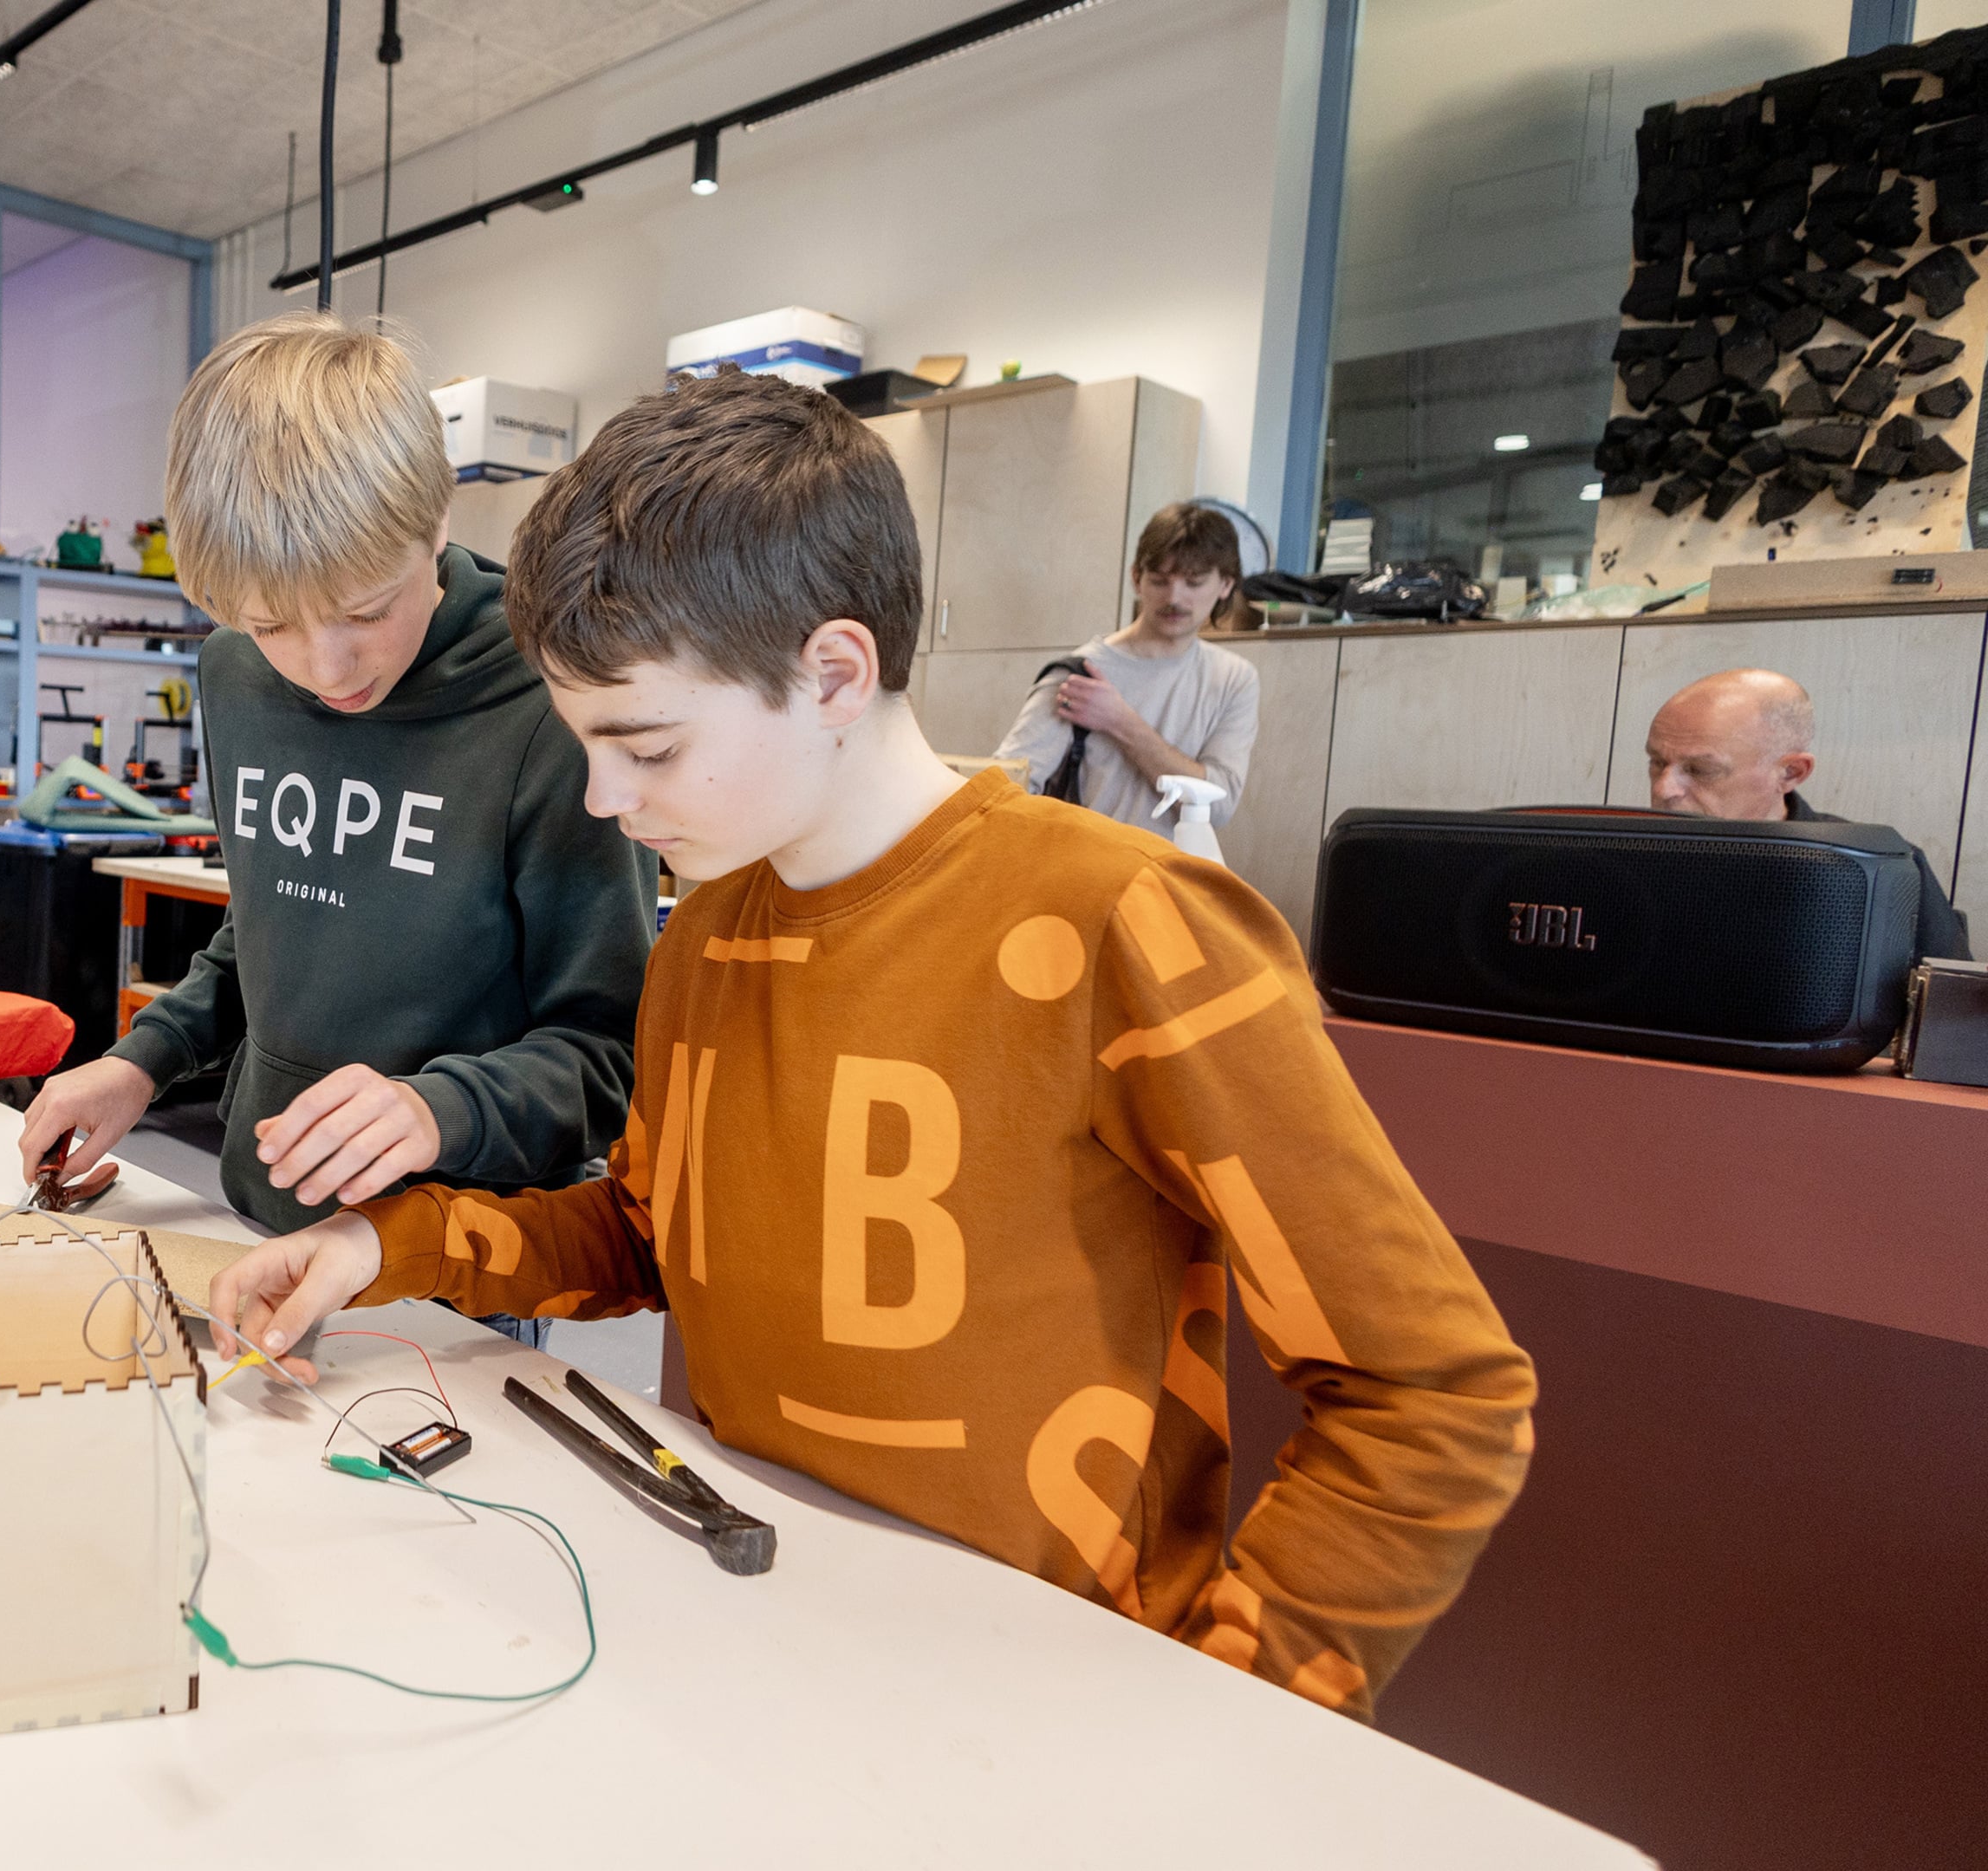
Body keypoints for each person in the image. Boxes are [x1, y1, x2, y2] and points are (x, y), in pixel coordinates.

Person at [210, 370, 1536, 1720]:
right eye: (585, 745)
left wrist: (1237, 1712)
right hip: (768, 1647)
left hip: (1054, 1703)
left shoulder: (1129, 921)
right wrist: (383, 1243)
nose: (605, 797)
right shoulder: (706, 931)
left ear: (834, 672)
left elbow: (1430, 1391)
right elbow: (653, 1234)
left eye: (646, 745)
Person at [12, 310, 659, 1238]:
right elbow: (272, 928)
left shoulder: (551, 702)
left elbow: (608, 1052)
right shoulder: (234, 675)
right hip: (262, 1216)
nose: (326, 667)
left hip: (465, 1252)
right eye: (271, 623)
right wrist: (145, 1058)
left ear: (436, 521)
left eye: (367, 610)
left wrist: (438, 1109)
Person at [1647, 666, 1971, 960]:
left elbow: (1953, 1003)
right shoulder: (1632, 851)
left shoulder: (1880, 870)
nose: (1663, 789)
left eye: (1700, 770)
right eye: (1658, 762)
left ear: (1791, 772)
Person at [994, 503, 1259, 840]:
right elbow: (1006, 786)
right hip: (1088, 865)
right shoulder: (1081, 674)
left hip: (1172, 869)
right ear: (1137, 578)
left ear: (1225, 585)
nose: (1174, 597)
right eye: (1159, 581)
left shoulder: (1234, 679)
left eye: (1194, 582)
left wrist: (1120, 721)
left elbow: (1217, 808)